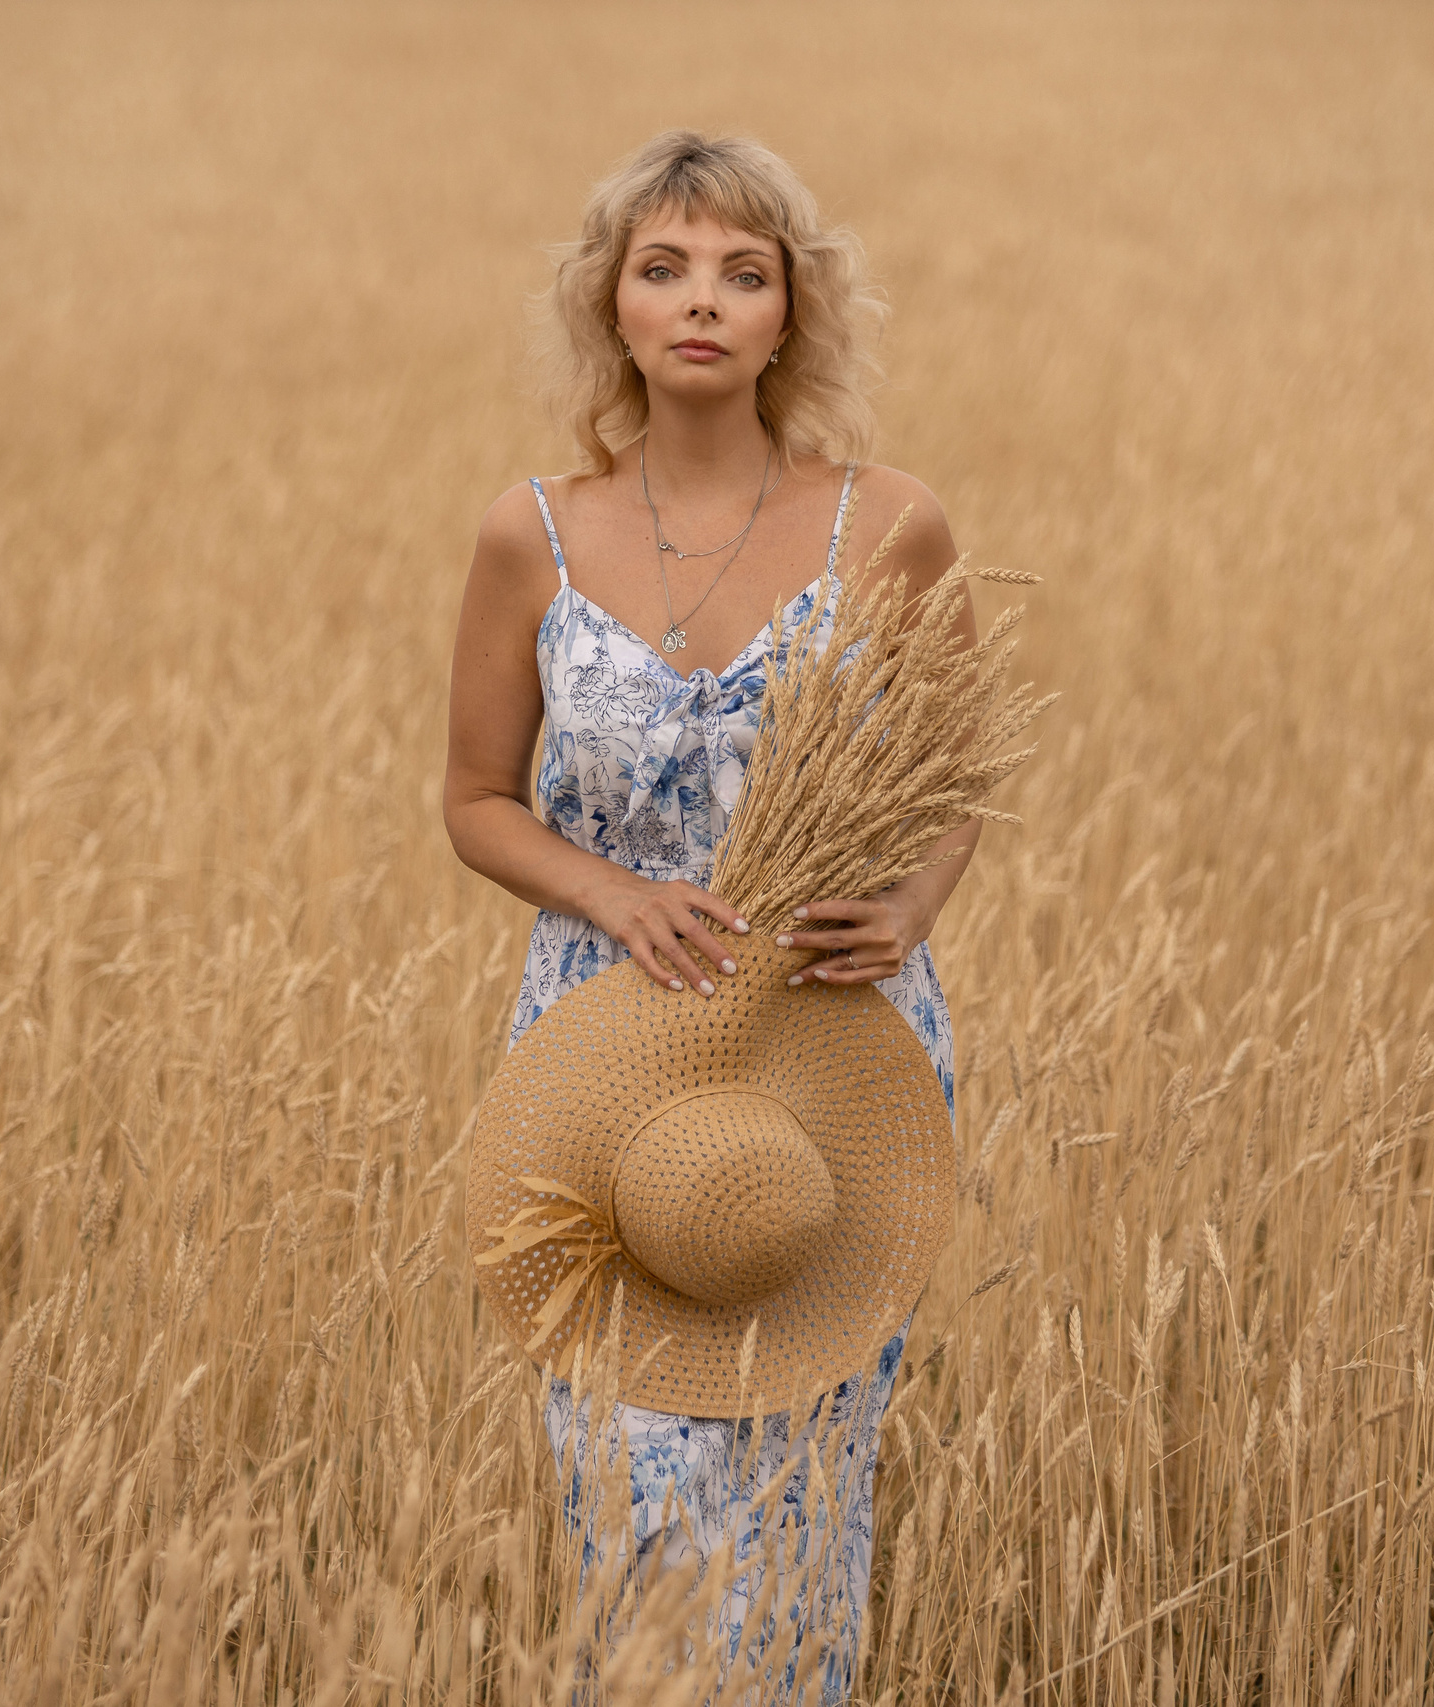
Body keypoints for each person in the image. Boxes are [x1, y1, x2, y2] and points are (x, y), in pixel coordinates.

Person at [442, 130, 979, 1703]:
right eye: (664, 267)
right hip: (600, 1058)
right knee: (635, 1503)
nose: (702, 301)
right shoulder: (524, 536)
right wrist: (612, 894)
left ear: (791, 314)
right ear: (610, 305)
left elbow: (955, 784)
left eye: (746, 274)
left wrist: (908, 905)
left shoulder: (888, 523)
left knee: (804, 1498)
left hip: (832, 1056)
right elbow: (477, 798)